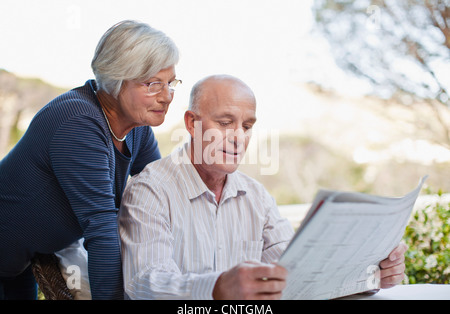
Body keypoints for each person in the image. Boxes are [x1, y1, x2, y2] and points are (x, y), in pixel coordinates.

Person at [118, 74, 407, 300]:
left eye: (247, 126)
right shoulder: (150, 189)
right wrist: (217, 288)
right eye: (225, 122)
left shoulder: (256, 196)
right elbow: (145, 283)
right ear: (192, 124)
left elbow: (298, 275)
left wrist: (369, 276)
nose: (238, 138)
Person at [0, 20, 181, 300]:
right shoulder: (77, 122)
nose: (167, 96)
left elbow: (162, 196)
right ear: (116, 79)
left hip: (19, 262)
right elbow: (101, 229)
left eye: (170, 83)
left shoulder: (137, 127)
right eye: (153, 84)